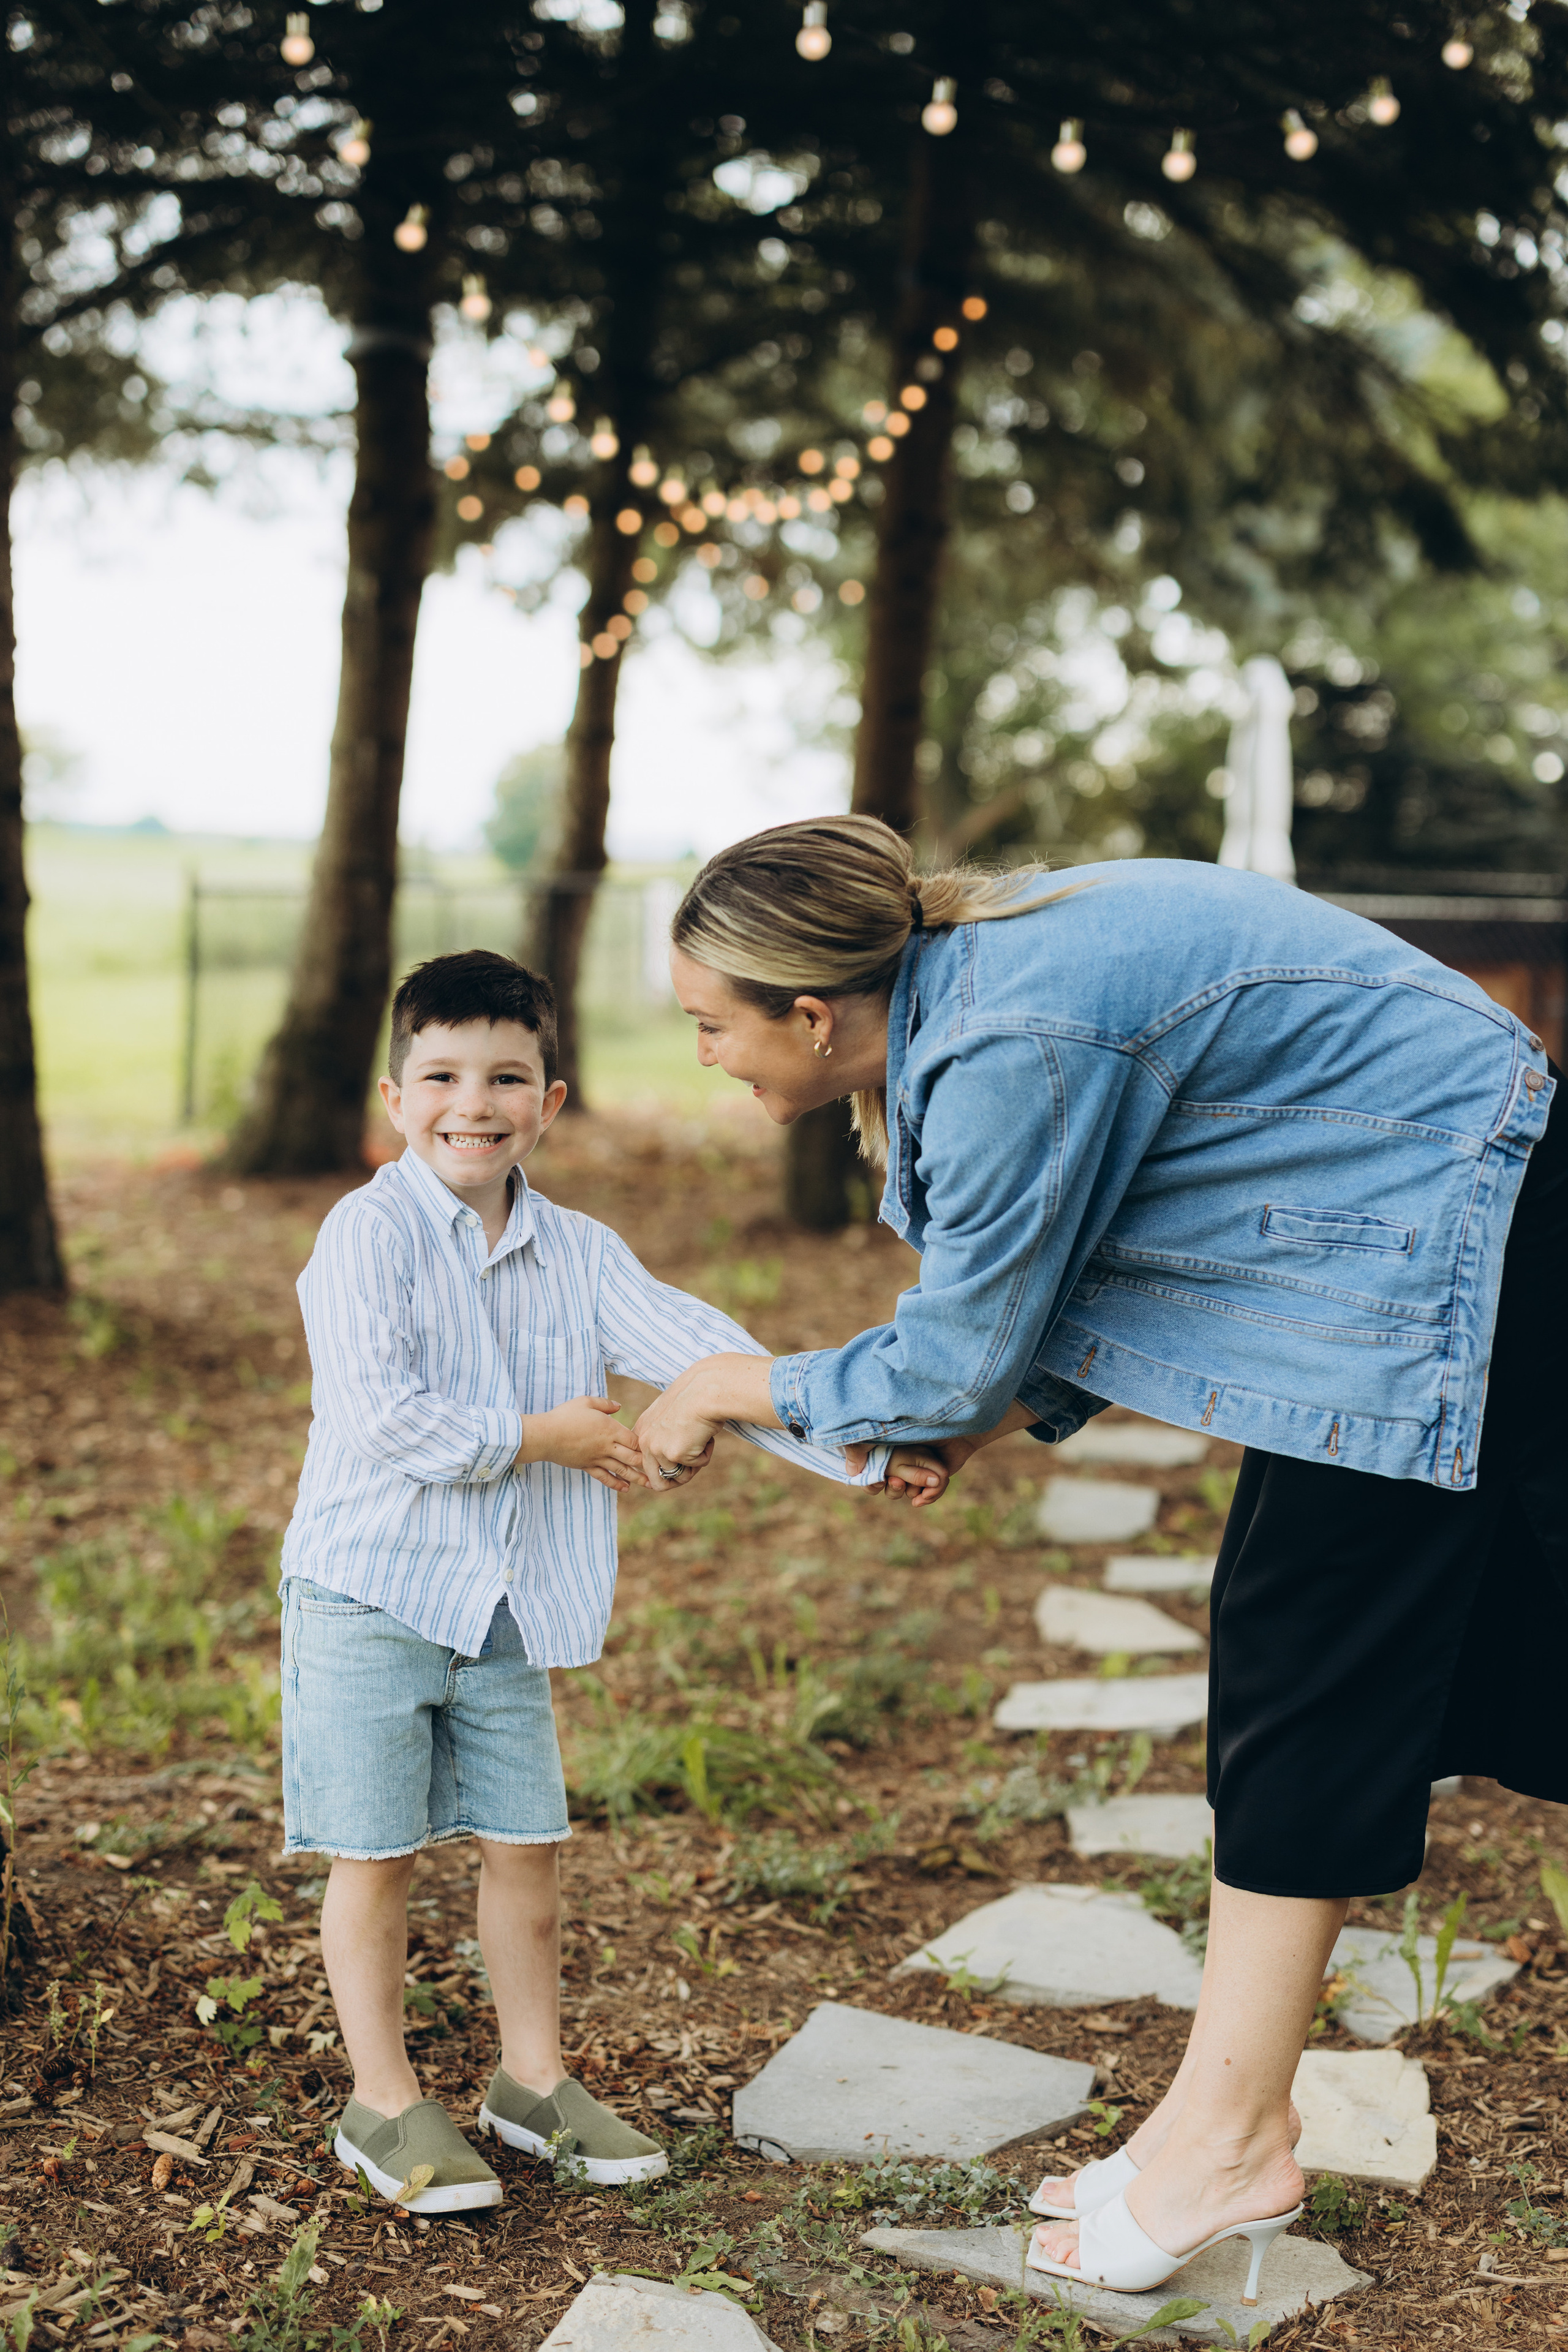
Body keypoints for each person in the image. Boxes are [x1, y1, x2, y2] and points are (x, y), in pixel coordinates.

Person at [630, 815, 1563, 2304]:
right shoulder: (988, 993)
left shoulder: (1006, 1037)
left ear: (808, 1014)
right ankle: (1211, 2125)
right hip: (1408, 1233)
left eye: (709, 1026)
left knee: (1307, 1669)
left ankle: (1231, 2140)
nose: (702, 1057)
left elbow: (951, 1355)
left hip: (1460, 1224)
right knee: (1308, 1658)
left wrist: (726, 1386)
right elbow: (1110, 1249)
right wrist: (979, 1421)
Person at [280, 948, 942, 2215]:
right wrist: (555, 1437)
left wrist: (864, 1450)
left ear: (549, 1101)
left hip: (504, 1605)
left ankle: (532, 2082)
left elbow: (707, 1356)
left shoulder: (579, 1253)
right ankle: (383, 2099)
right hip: (368, 1597)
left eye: (505, 1078)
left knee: (526, 1847)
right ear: (395, 1096)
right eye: (442, 1077)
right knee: (376, 1857)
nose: (472, 1104)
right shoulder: (364, 1235)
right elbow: (384, 1418)